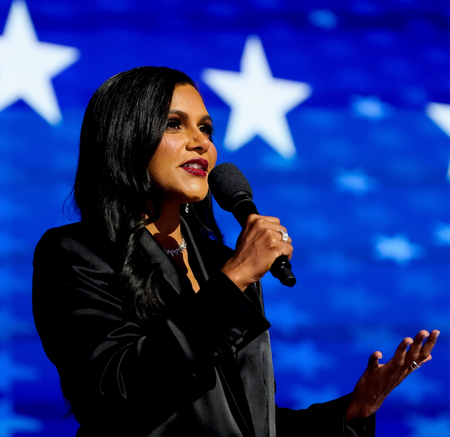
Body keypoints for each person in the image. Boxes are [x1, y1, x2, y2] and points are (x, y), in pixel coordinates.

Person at [32, 66, 439, 437]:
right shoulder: (76, 253)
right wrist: (234, 280)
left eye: (206, 129)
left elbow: (242, 422)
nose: (201, 143)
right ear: (126, 138)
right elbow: (114, 391)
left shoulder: (217, 262)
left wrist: (351, 411)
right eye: (175, 125)